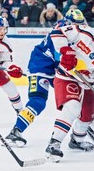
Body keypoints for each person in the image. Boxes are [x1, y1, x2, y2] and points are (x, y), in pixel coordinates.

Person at [44, 16, 94, 162]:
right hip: (67, 76)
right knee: (73, 107)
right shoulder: (84, 33)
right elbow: (57, 32)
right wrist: (65, 50)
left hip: (87, 84)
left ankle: (76, 139)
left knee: (87, 117)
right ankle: (54, 143)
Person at [5, 9, 86, 147]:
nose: (78, 27)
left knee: (74, 101)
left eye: (80, 24)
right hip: (40, 67)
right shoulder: (61, 30)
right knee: (38, 101)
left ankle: (78, 135)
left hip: (56, 69)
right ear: (68, 23)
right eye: (75, 24)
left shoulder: (76, 34)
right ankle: (16, 131)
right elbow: (60, 56)